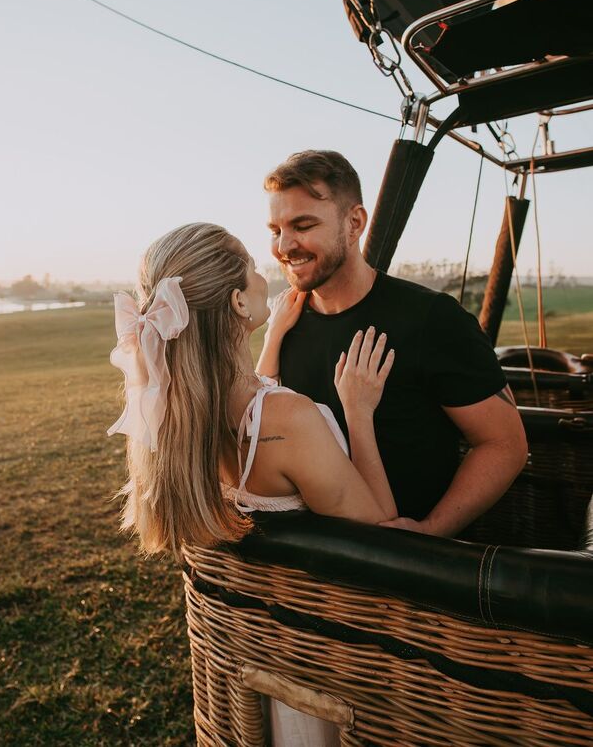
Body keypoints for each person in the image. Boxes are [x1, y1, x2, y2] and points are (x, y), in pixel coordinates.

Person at [107, 221, 397, 747]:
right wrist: (359, 412)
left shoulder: (180, 415)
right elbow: (382, 535)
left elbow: (248, 405)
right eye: (254, 268)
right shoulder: (289, 419)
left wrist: (274, 335)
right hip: (329, 674)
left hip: (257, 670)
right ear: (239, 303)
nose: (270, 272)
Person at [258, 150, 528, 538]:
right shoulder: (287, 324)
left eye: (303, 225)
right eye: (275, 229)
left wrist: (432, 531)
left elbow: (505, 443)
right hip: (312, 574)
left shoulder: (432, 319)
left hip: (408, 574)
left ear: (354, 223)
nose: (284, 246)